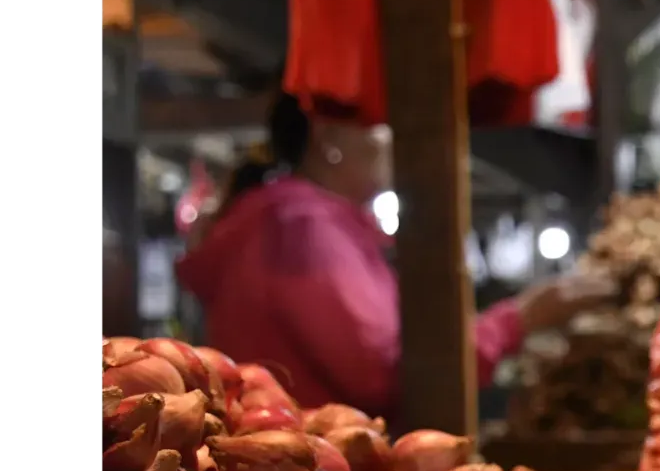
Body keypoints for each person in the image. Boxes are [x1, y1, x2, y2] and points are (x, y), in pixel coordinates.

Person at [176, 94, 613, 419]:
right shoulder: (304, 226)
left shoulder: (297, 222)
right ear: (329, 138)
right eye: (377, 123)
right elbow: (384, 374)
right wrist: (521, 318)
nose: (389, 138)